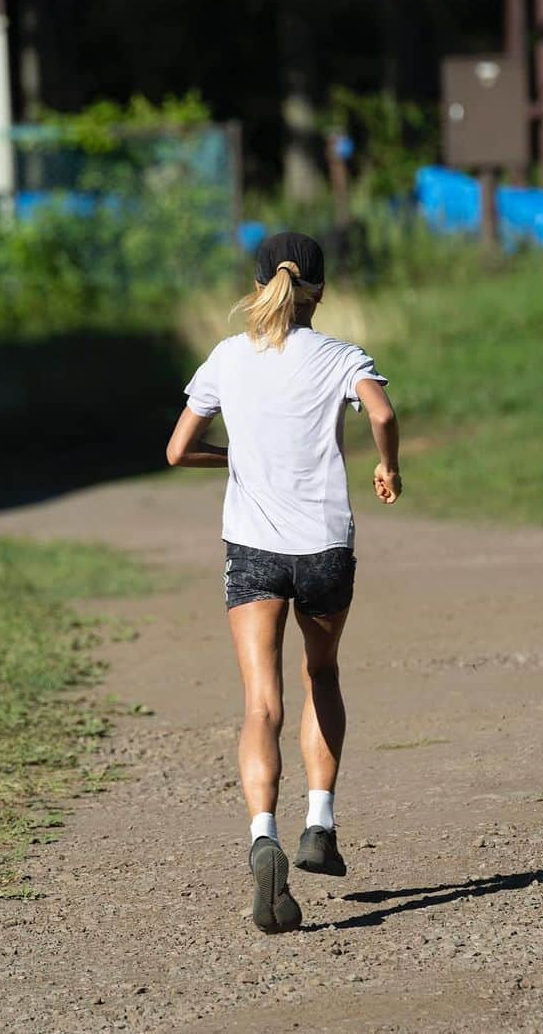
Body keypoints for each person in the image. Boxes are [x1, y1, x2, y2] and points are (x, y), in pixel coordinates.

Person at [165, 231, 401, 934]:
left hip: (255, 552)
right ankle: (319, 824)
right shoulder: (341, 356)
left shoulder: (227, 358)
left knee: (261, 701)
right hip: (325, 547)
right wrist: (387, 465)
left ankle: (262, 833)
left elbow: (177, 449)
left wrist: (232, 458)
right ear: (320, 291)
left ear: (261, 280)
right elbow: (382, 413)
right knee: (320, 673)